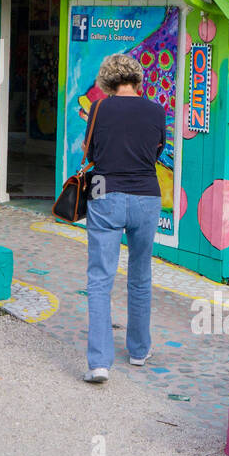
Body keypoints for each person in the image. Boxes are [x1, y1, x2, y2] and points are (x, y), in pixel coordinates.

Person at [82, 53, 168, 383]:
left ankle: (100, 362)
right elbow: (157, 152)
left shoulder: (99, 108)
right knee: (141, 273)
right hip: (147, 194)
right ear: (137, 79)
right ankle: (138, 350)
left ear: (107, 81)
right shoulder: (156, 110)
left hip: (105, 190)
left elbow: (90, 153)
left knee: (101, 276)